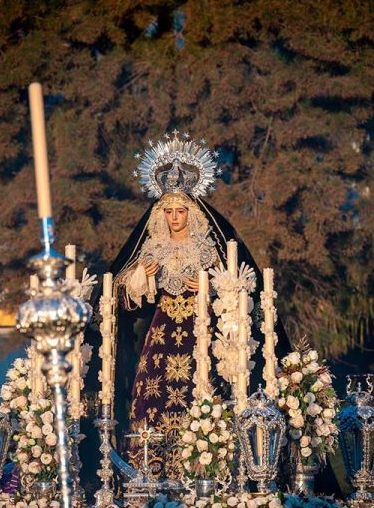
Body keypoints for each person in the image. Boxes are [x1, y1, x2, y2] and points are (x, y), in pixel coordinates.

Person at [109, 132, 290, 476]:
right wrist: (141, 277)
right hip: (162, 333)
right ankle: (152, 471)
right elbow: (122, 295)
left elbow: (239, 289)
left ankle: (204, 467)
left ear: (190, 213)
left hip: (200, 334)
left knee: (201, 393)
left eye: (180, 211)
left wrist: (210, 285)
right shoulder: (153, 249)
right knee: (153, 396)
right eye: (169, 212)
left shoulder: (208, 248)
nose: (174, 218)